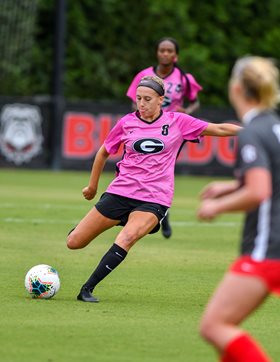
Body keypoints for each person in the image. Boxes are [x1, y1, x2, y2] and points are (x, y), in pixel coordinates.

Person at [67, 75, 241, 303]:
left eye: (147, 99)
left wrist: (254, 130)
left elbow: (218, 129)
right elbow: (103, 152)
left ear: (161, 99)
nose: (142, 103)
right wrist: (92, 187)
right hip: (121, 192)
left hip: (154, 198)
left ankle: (87, 289)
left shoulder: (178, 121)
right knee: (74, 242)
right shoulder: (127, 123)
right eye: (138, 98)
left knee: (127, 237)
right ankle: (122, 218)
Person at [197, 56, 280, 361]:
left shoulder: (251, 132)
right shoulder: (274, 126)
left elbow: (260, 191)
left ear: (235, 88)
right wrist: (231, 186)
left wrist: (218, 206)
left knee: (215, 325)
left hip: (267, 249)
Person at [126, 37, 203, 239]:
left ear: (175, 55)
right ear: (157, 53)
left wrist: (187, 110)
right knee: (138, 166)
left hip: (172, 131)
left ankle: (160, 210)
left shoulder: (184, 78)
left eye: (169, 51)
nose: (165, 54)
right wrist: (141, 115)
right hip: (147, 128)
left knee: (163, 169)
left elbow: (195, 103)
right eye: (162, 50)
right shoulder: (144, 75)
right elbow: (135, 101)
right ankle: (145, 207)